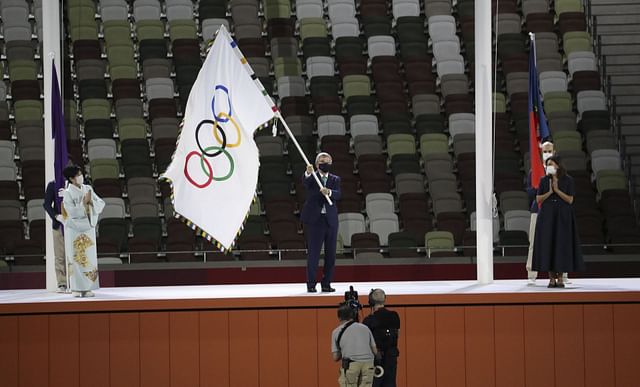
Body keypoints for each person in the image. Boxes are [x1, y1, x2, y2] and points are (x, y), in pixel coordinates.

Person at [532, 156, 584, 288]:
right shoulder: (544, 180)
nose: (549, 166)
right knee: (548, 244)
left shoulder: (568, 180)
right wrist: (550, 192)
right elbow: (538, 199)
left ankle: (560, 277)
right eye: (547, 164)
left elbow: (570, 199)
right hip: (547, 215)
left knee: (561, 245)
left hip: (563, 215)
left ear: (558, 166)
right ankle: (551, 278)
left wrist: (557, 190)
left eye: (551, 164)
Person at [526, 142, 570, 285]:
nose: (547, 153)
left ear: (554, 151)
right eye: (545, 151)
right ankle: (531, 273)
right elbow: (530, 192)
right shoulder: (535, 171)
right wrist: (543, 183)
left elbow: (567, 191)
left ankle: (563, 274)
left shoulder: (562, 173)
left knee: (560, 241)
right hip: (538, 210)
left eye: (550, 151)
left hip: (557, 212)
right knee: (534, 241)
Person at [60, 165, 105, 297]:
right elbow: (70, 211)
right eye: (78, 175)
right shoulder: (68, 193)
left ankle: (88, 287)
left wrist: (90, 202)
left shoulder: (88, 188)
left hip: (88, 227)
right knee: (76, 257)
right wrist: (83, 204)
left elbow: (100, 203)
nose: (81, 177)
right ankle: (76, 288)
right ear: (71, 179)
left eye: (81, 174)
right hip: (74, 229)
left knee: (89, 258)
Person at [301, 152, 341, 293]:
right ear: (317, 164)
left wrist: (329, 192)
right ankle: (311, 284)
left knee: (331, 254)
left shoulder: (335, 179)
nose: (326, 163)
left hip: (330, 220)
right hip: (315, 220)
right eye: (323, 161)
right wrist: (308, 172)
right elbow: (305, 182)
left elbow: (338, 194)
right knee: (314, 253)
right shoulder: (312, 177)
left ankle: (326, 283)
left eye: (328, 161)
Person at [332, 303, 377, 387]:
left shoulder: (336, 332)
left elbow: (335, 357)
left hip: (351, 365)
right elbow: (374, 350)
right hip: (368, 365)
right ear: (353, 315)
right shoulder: (365, 328)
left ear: (339, 317)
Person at [362, 289, 400, 387]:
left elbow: (366, 342)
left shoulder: (368, 320)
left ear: (370, 302)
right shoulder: (394, 316)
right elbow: (397, 334)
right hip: (391, 357)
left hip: (376, 359)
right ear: (384, 300)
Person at [44, 180, 68, 292]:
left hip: (75, 225)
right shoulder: (53, 185)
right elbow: (47, 204)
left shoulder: (77, 184)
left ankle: (75, 280)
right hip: (59, 224)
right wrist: (56, 216)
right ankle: (62, 282)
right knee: (60, 255)